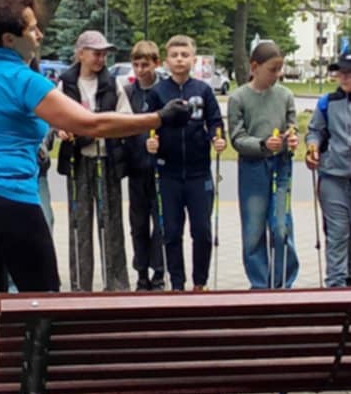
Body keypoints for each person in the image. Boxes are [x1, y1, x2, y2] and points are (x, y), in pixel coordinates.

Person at [0, 0, 188, 394]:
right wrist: (157, 119)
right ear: (9, 38)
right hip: (11, 202)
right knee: (45, 307)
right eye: (32, 29)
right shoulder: (22, 80)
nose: (38, 35)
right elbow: (89, 123)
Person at [54, 30, 132, 292]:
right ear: (81, 54)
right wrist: (61, 129)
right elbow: (55, 117)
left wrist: (102, 128)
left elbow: (125, 119)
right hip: (78, 160)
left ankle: (117, 285)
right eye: (96, 53)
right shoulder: (65, 83)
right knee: (79, 224)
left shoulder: (113, 84)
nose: (101, 58)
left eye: (104, 54)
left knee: (111, 224)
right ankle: (80, 286)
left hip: (106, 158)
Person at [150, 34, 225, 291]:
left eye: (185, 55)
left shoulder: (203, 90)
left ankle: (200, 283)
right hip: (168, 173)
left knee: (202, 231)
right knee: (171, 232)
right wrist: (150, 142)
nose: (180, 60)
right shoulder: (158, 92)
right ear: (166, 61)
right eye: (175, 55)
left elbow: (215, 121)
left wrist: (218, 139)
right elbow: (148, 124)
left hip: (198, 173)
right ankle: (178, 284)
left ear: (193, 59)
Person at [228, 42, 301, 288]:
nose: (277, 74)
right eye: (272, 69)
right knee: (254, 229)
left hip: (281, 165)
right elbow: (237, 138)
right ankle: (259, 284)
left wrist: (292, 138)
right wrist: (261, 144)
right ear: (255, 67)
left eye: (280, 69)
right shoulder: (238, 98)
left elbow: (293, 125)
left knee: (281, 226)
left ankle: (283, 281)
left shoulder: (285, 95)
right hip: (252, 168)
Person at [306, 50, 351, 287]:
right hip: (332, 178)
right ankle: (335, 284)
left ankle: (349, 278)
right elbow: (315, 130)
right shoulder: (328, 102)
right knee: (338, 232)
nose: (345, 79)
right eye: (341, 74)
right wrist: (312, 147)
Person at [119, 41, 167, 290]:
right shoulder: (128, 92)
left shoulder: (164, 91)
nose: (140, 70)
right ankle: (141, 273)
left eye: (145, 65)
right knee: (138, 224)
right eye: (136, 65)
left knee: (159, 223)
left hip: (160, 167)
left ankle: (159, 271)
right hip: (136, 167)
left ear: (156, 64)